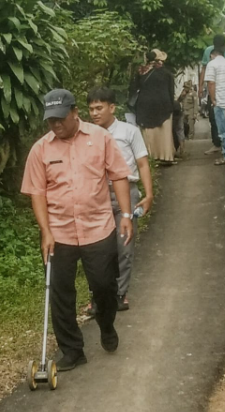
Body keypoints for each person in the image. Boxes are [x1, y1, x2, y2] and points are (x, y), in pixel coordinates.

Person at [21, 88, 134, 371]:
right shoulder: (40, 149)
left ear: (75, 113)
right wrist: (45, 231)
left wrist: (126, 214)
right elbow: (37, 192)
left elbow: (119, 175)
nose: (56, 124)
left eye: (61, 118)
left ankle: (106, 324)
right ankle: (72, 350)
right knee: (60, 293)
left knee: (104, 286)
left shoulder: (100, 138)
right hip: (59, 233)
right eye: (51, 120)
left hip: (98, 228)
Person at [87, 87, 154, 311]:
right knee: (97, 249)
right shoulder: (87, 134)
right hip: (97, 195)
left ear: (112, 107)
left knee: (124, 246)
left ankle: (120, 293)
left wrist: (149, 195)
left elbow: (142, 163)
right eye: (91, 109)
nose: (95, 113)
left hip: (127, 193)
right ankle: (98, 296)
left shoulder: (129, 131)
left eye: (99, 108)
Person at [132, 49, 176, 165]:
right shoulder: (166, 73)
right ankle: (166, 156)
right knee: (164, 133)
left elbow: (134, 89)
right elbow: (171, 91)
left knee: (149, 133)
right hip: (164, 106)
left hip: (145, 107)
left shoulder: (141, 71)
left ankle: (151, 157)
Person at [198, 34, 225, 155]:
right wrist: (200, 87)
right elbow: (204, 69)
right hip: (214, 92)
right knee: (213, 118)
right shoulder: (209, 51)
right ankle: (217, 144)